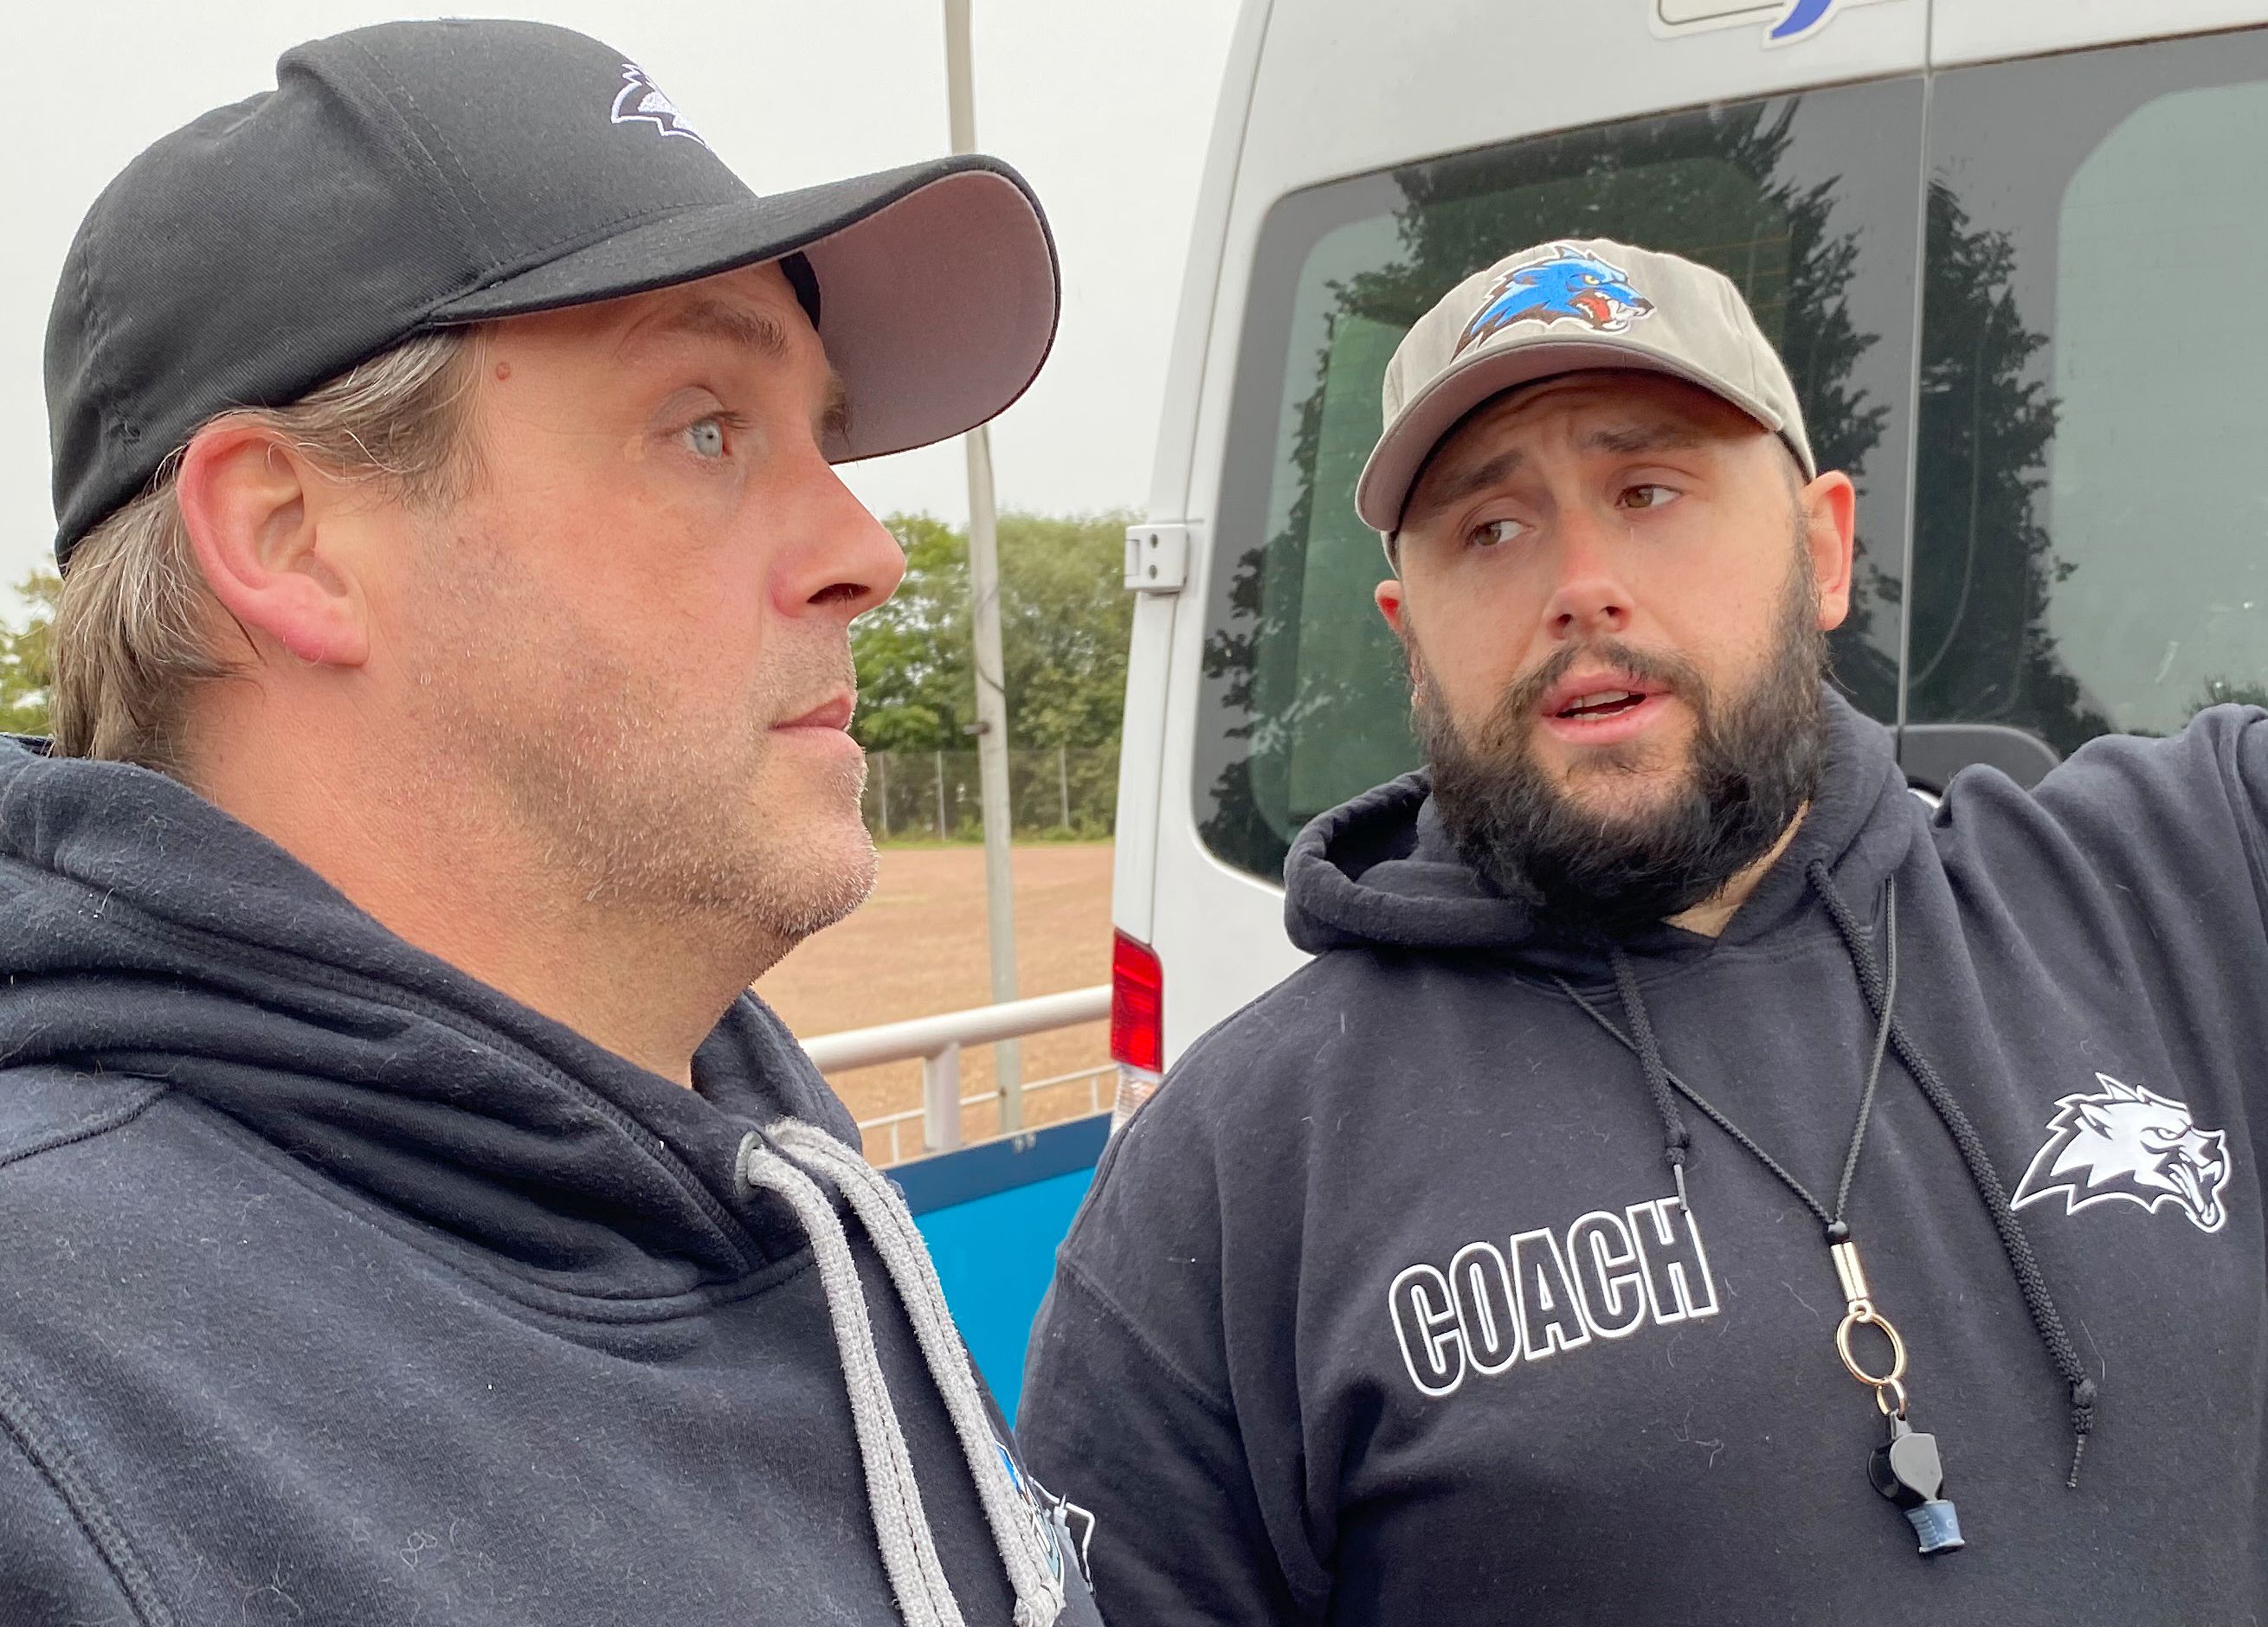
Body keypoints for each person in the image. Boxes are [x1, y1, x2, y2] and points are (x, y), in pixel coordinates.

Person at [0, 19, 1099, 1625]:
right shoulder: (49, 1396)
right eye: (706, 425)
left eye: (824, 432)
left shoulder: (780, 1192)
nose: (868, 547)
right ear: (292, 539)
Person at [1016, 236, 2268, 1623]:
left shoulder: (2185, 883)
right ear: (1408, 635)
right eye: (1489, 529)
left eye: (1649, 487)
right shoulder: (1236, 1176)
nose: (1582, 581)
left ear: (1824, 547)